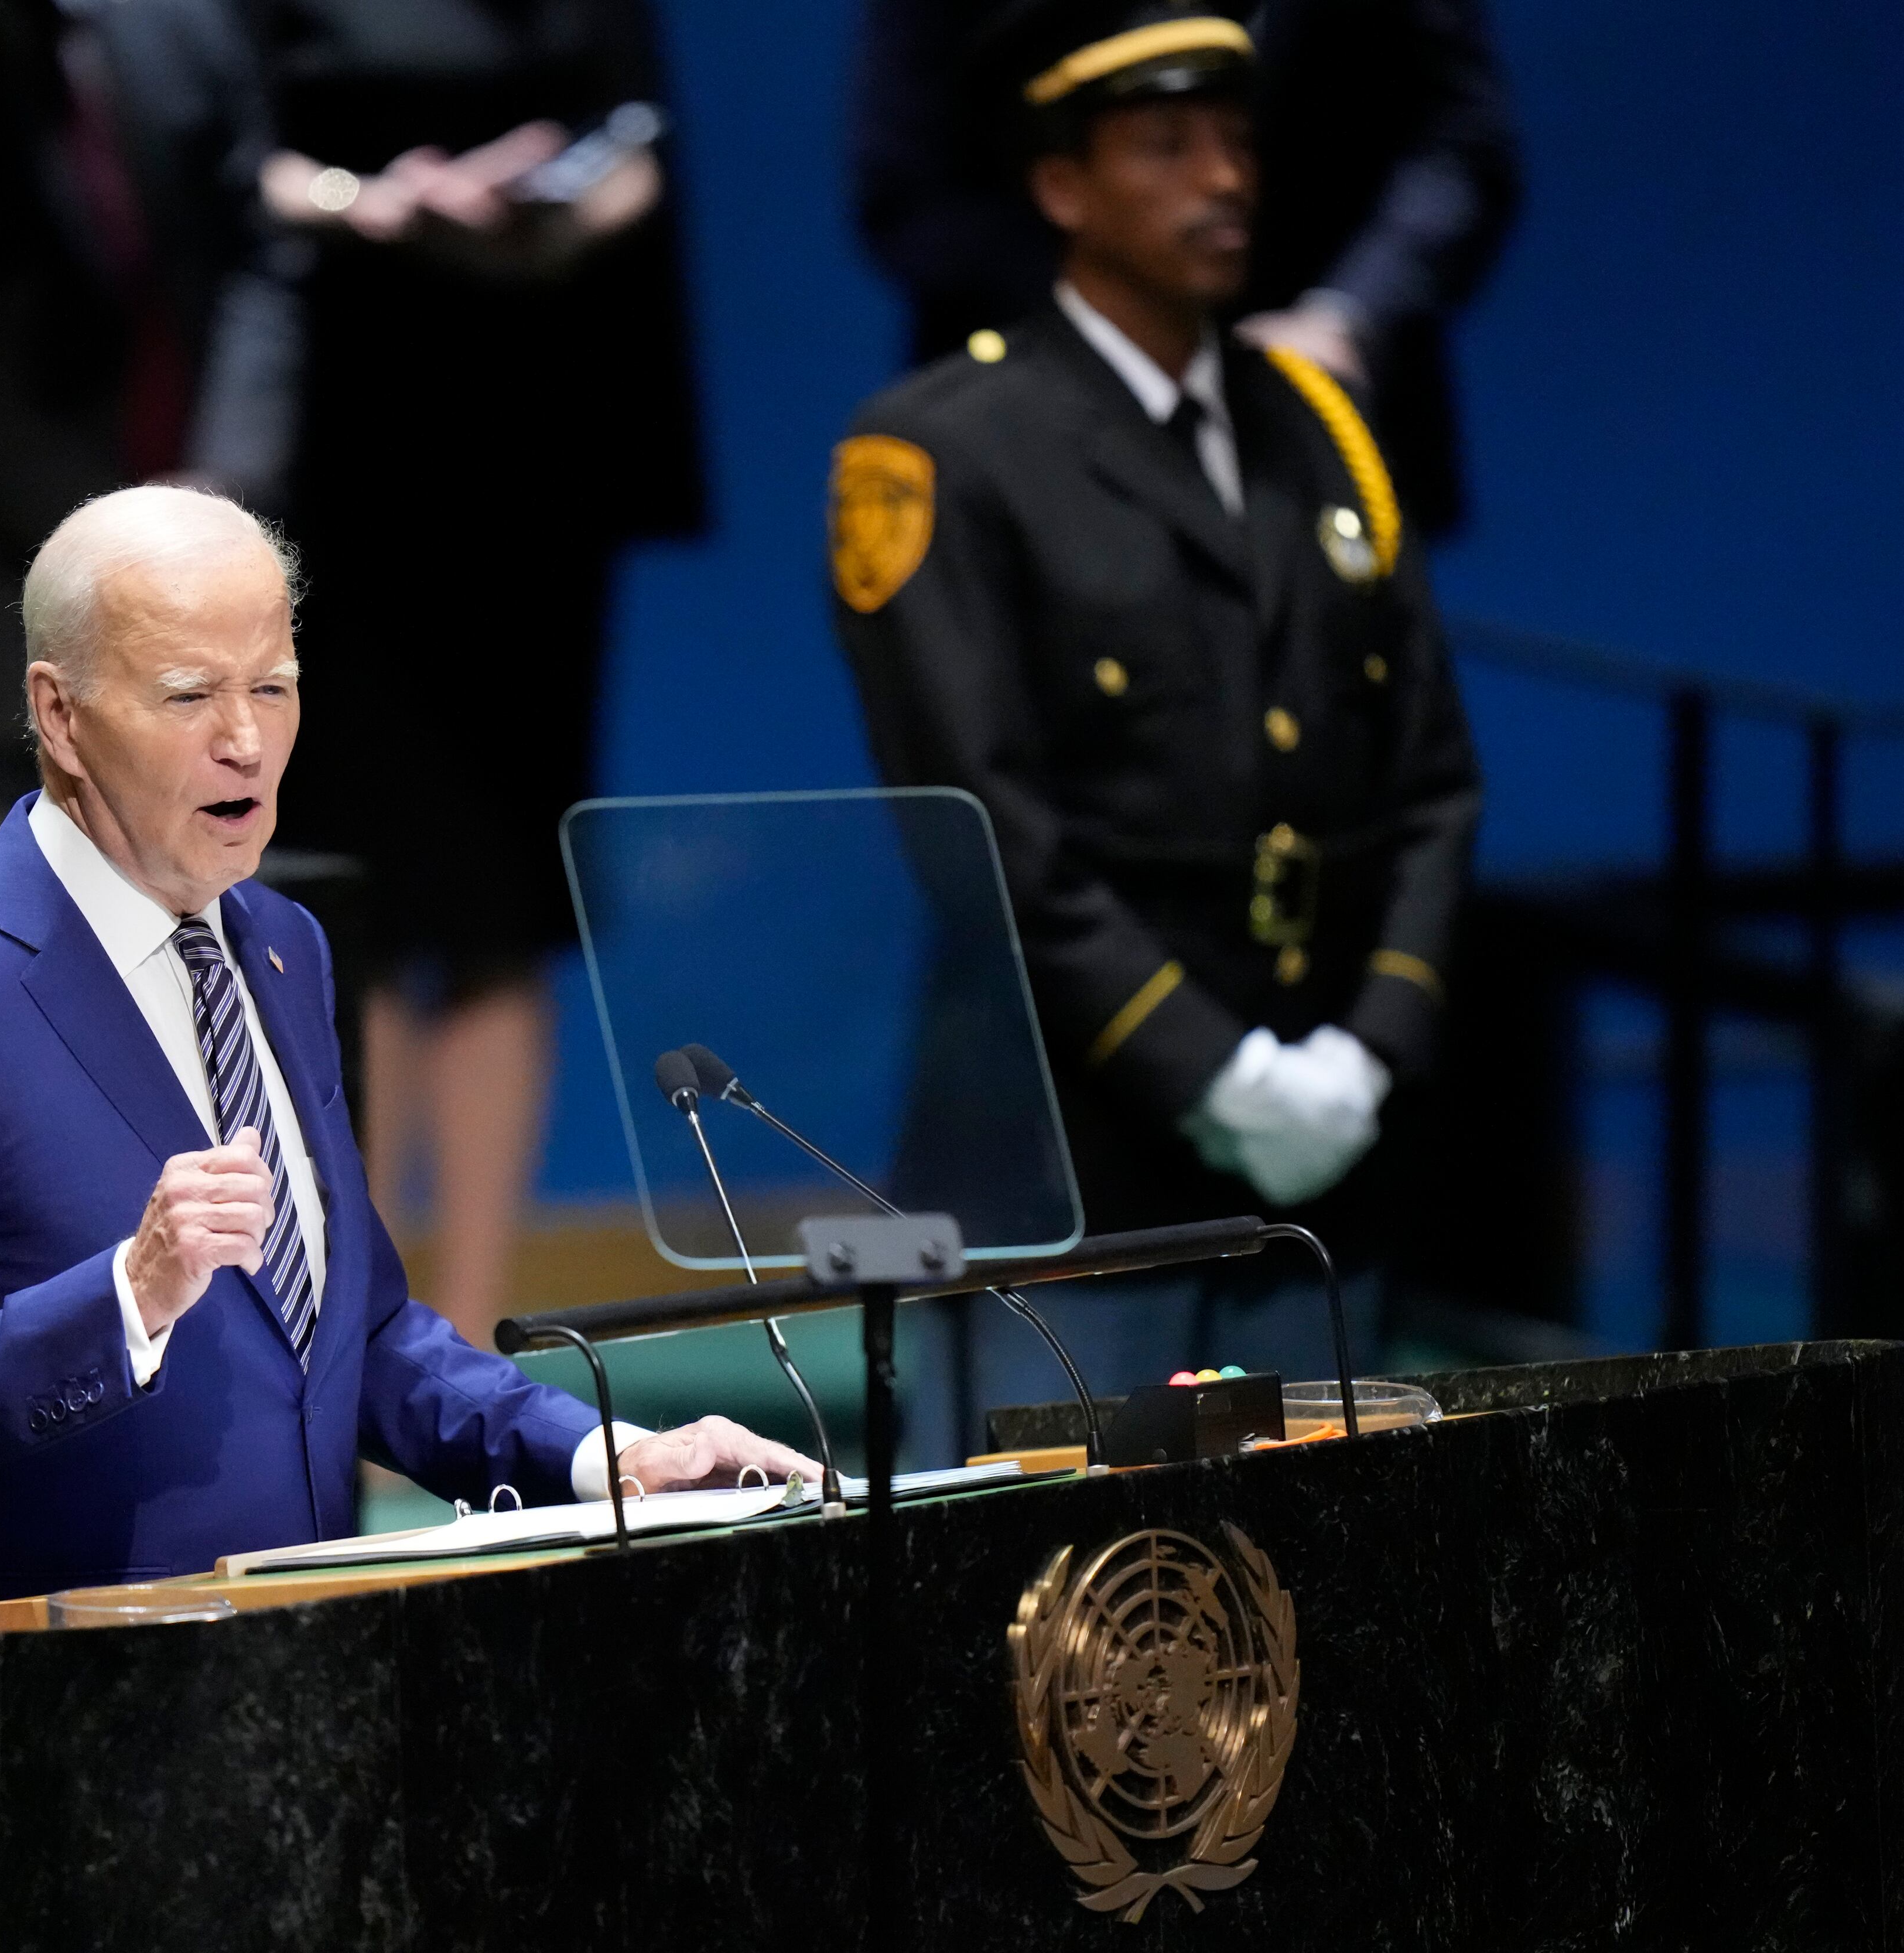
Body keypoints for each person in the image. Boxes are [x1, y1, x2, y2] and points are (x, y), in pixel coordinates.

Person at [0, 487, 807, 1636]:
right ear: (59, 716)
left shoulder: (282, 946)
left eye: (273, 685)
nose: (247, 740)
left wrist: (604, 1457)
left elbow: (349, 1332)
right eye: (190, 696)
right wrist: (127, 1298)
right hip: (31, 1734)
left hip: (291, 1716)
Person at [827, 0, 1481, 1382]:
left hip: (1329, 1148)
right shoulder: (943, 452)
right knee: (1070, 1583)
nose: (1225, 180)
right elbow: (985, 833)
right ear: (1062, 186)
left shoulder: (1320, 429)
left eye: (1238, 144)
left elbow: (1431, 781)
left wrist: (1369, 1050)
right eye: (1167, 146)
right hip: (1075, 1158)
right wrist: (1212, 1071)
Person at [241, 0, 707, 1345]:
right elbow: (216, 161)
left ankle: (482, 1328)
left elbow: (635, 148)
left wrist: (550, 214)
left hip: (528, 453)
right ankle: (363, 1340)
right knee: (353, 905)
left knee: (502, 906)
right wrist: (362, 200)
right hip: (339, 439)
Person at [850, 0, 1518, 532]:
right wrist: (1123, 339)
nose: (1222, 179)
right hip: (1037, 442)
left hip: (1309, 443)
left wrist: (1342, 319)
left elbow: (1457, 136)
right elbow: (911, 189)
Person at [0, 0, 296, 804]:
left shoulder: (181, 23)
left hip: (182, 550)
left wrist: (225, 481)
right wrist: (109, 536)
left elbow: (257, 246)